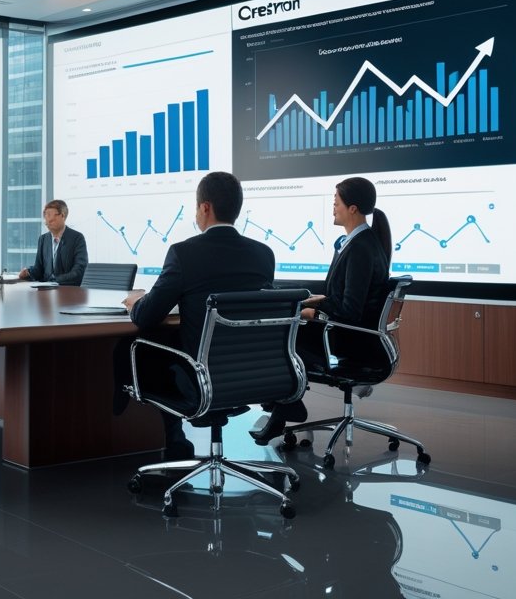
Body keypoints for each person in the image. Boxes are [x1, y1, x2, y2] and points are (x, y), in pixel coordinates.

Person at [116, 171, 275, 461]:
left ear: (205, 207)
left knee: (144, 343)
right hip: (253, 375)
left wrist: (135, 302)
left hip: (200, 377)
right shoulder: (263, 254)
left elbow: (147, 316)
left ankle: (173, 440)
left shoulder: (184, 253)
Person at [251, 175, 392, 443]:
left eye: (336, 202)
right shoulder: (360, 243)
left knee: (277, 340)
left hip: (347, 341)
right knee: (286, 327)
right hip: (352, 335)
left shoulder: (361, 248)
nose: (333, 207)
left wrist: (311, 313)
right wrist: (316, 299)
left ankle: (283, 406)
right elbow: (346, 297)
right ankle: (283, 404)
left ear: (352, 208)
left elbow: (349, 310)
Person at [19, 199, 88, 286]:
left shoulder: (77, 238)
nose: (47, 219)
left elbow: (79, 271)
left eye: (50, 215)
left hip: (68, 291)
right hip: (46, 293)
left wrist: (54, 281)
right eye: (45, 215)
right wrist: (28, 272)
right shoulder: (43, 239)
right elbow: (38, 269)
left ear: (62, 215)